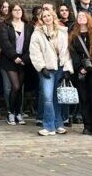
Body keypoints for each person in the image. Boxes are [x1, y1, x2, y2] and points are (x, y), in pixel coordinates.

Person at [29, 8, 72, 136]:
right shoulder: (37, 33)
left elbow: (67, 52)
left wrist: (67, 69)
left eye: (49, 15)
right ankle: (48, 126)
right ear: (41, 19)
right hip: (47, 68)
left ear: (53, 17)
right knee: (47, 98)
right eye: (44, 16)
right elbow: (35, 52)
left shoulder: (62, 32)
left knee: (57, 97)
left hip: (60, 67)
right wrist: (42, 68)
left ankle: (58, 124)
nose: (47, 18)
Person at [68, 11, 92, 137]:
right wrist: (80, 67)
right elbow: (72, 53)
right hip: (80, 71)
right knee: (84, 98)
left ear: (88, 18)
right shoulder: (73, 35)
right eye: (79, 16)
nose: (81, 18)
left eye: (83, 16)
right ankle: (87, 125)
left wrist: (89, 67)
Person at [0, 3, 31, 125]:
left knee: (20, 88)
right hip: (9, 60)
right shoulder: (4, 25)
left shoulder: (28, 26)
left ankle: (18, 113)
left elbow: (32, 44)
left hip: (23, 60)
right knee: (15, 86)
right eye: (15, 10)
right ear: (11, 12)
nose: (18, 11)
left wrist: (24, 58)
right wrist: (14, 57)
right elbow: (4, 43)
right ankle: (10, 112)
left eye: (19, 9)